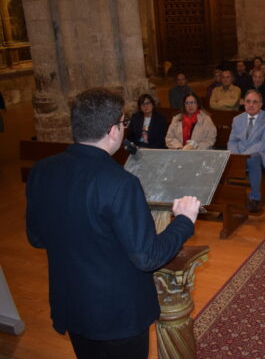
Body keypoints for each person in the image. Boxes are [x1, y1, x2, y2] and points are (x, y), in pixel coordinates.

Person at [26, 88, 200, 359]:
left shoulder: (42, 171)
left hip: (73, 304)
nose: (124, 128)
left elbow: (37, 237)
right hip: (117, 313)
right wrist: (184, 221)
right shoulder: (120, 183)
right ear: (112, 130)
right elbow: (147, 256)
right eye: (123, 122)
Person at [228, 90, 265, 211]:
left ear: (261, 104)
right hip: (238, 154)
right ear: (244, 103)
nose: (251, 105)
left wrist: (243, 156)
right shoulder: (237, 119)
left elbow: (264, 143)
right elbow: (232, 141)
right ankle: (230, 199)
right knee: (226, 160)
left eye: (255, 102)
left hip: (259, 154)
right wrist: (236, 155)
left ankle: (255, 197)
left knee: (253, 159)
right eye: (248, 101)